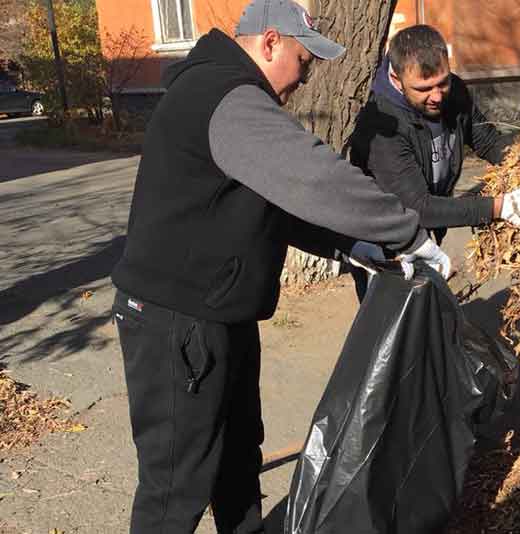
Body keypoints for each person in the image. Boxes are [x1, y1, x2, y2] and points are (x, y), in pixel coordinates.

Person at [110, 1, 450, 532]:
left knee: (238, 461)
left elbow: (275, 207)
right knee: (175, 488)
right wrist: (405, 229)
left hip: (217, 314)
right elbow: (315, 178)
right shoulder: (226, 97)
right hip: (177, 324)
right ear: (269, 43)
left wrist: (361, 247)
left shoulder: (228, 94)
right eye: (302, 59)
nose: (306, 75)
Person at [348, 24, 520, 300]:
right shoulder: (380, 124)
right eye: (424, 88)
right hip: (385, 241)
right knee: (396, 329)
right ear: (397, 80)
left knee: (433, 314)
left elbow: (486, 140)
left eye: (442, 82)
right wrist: (500, 207)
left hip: (430, 227)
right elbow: (417, 207)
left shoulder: (454, 90)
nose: (437, 96)